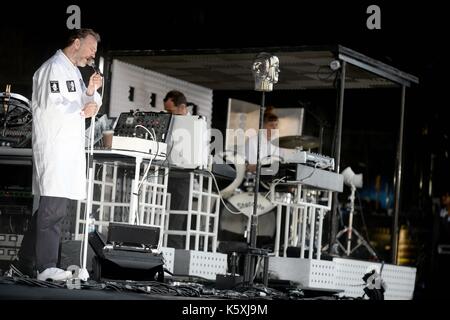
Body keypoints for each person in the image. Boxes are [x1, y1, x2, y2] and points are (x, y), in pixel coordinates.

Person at [9, 29, 103, 281]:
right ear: (76, 43)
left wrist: (91, 92)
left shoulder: (72, 70)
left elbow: (82, 101)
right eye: (90, 49)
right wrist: (83, 109)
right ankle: (46, 266)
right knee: (53, 209)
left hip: (68, 148)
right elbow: (53, 106)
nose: (93, 54)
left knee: (51, 209)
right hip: (54, 147)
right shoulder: (52, 68)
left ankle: (24, 263)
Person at [163, 90, 192, 249]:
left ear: (181, 108)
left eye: (170, 111)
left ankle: (174, 253)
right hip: (166, 172)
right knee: (158, 213)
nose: (167, 114)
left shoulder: (197, 124)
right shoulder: (169, 122)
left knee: (176, 218)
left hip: (183, 175)